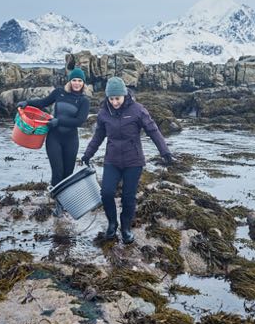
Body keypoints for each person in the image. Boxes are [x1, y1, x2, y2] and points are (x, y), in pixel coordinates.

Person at [80, 76, 173, 244]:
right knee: (106, 193)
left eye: (118, 98)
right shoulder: (103, 114)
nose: (115, 102)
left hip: (133, 161)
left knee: (128, 197)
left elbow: (153, 130)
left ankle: (125, 228)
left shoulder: (138, 110)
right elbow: (98, 137)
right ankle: (112, 223)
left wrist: (165, 152)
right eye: (111, 98)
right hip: (112, 160)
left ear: (125, 95)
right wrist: (87, 154)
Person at [17, 68, 91, 215]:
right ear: (70, 81)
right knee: (57, 172)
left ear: (83, 83)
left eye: (80, 81)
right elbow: (43, 102)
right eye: (74, 80)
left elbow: (79, 121)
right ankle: (58, 206)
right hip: (54, 138)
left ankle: (65, 203)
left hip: (71, 140)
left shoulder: (84, 101)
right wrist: (27, 103)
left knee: (68, 174)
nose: (77, 83)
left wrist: (58, 121)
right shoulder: (59, 92)